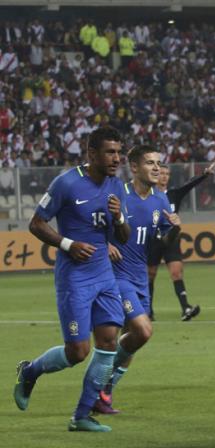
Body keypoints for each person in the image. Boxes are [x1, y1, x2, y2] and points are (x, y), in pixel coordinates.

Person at [14, 126, 130, 432]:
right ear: (92, 153)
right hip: (74, 278)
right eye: (110, 152)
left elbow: (124, 235)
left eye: (119, 152)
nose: (117, 158)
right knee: (77, 352)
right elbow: (36, 223)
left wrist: (119, 218)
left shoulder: (116, 186)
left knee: (107, 344)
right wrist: (67, 244)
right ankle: (30, 372)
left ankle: (81, 416)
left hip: (105, 276)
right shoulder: (66, 183)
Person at [93, 145, 181, 415]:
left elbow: (161, 243)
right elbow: (93, 224)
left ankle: (102, 394)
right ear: (134, 167)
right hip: (116, 275)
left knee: (129, 339)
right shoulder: (118, 193)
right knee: (143, 331)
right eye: (150, 163)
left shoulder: (161, 200)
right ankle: (101, 388)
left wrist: (175, 228)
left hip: (139, 276)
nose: (157, 168)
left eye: (158, 163)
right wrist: (104, 246)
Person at [147, 161, 215, 321]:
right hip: (153, 239)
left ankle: (185, 308)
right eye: (161, 174)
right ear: (155, 176)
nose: (164, 176)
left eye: (167, 174)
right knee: (150, 275)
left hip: (171, 238)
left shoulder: (174, 194)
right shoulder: (148, 195)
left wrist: (204, 174)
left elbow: (189, 185)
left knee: (176, 272)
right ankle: (148, 311)